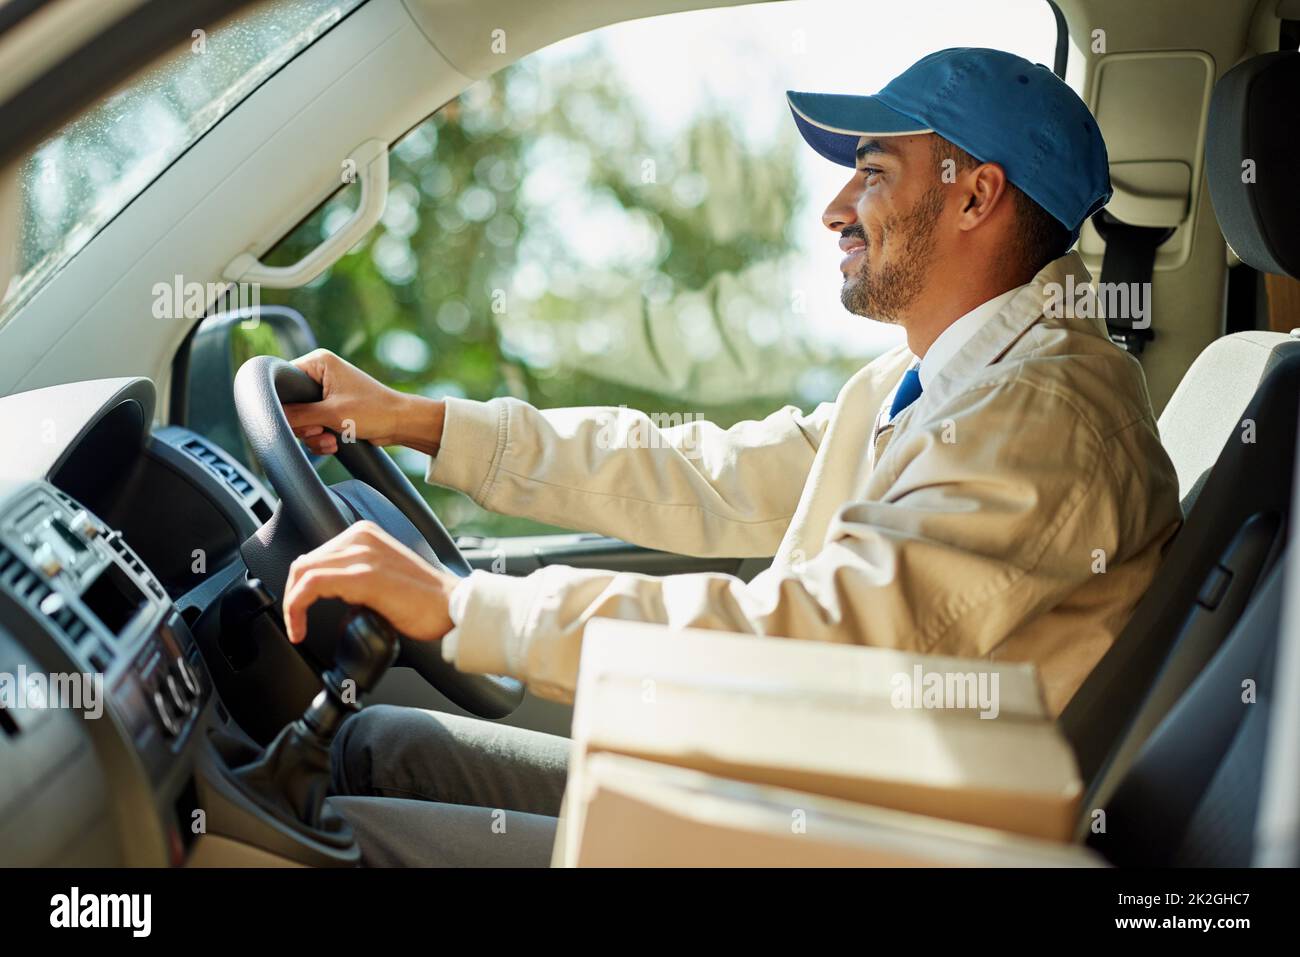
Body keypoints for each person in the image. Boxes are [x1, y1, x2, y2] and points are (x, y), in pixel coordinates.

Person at [286, 48, 1182, 866]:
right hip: (799, 797)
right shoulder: (929, 380)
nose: (836, 209)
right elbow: (702, 470)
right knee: (383, 747)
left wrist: (464, 606)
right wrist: (419, 419)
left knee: (338, 841)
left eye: (871, 174)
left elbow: (809, 645)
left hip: (865, 839)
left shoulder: (1044, 421)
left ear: (975, 196)